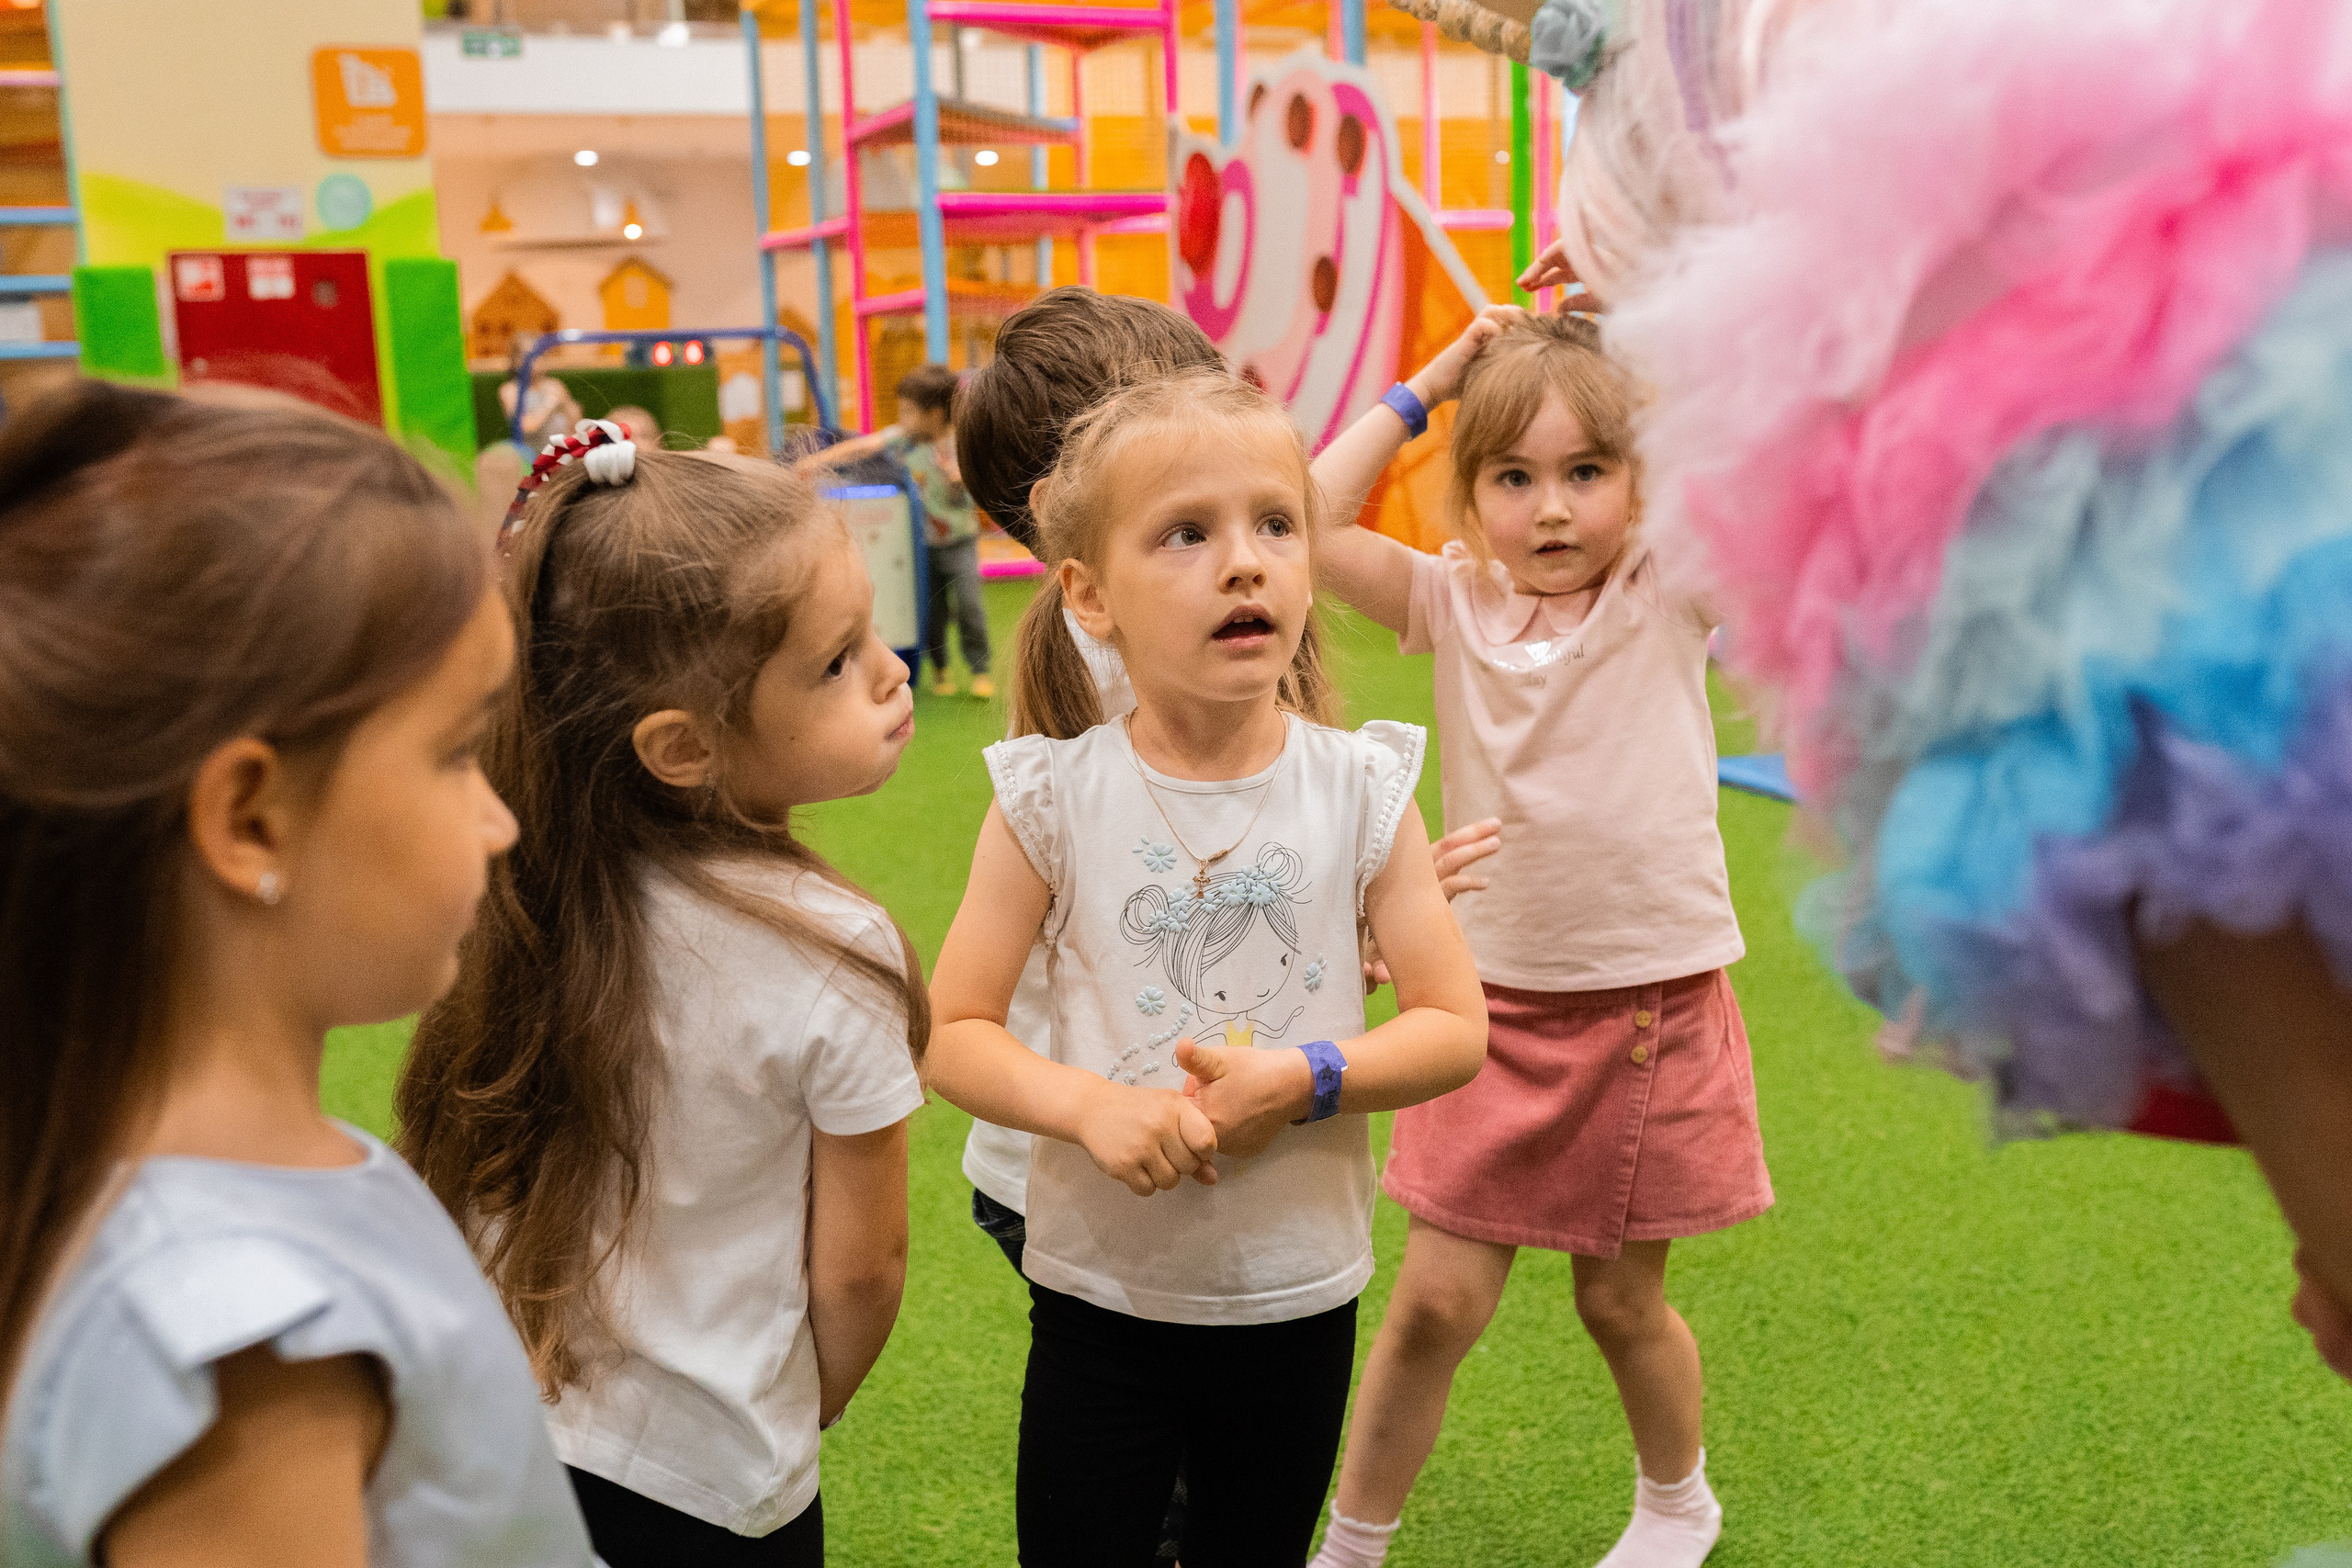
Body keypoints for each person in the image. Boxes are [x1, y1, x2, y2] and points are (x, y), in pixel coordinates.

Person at [0, 382, 592, 1567]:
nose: (498, 821)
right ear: (252, 819)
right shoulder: (238, 1339)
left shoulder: (234, 1187)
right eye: (457, 753)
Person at [926, 369, 1490, 1568]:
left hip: (1299, 1296)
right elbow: (956, 1028)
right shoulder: (1050, 796)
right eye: (1188, 532)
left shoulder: (1363, 787)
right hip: (1099, 1302)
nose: (1246, 564)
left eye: (1276, 525)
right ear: (1089, 593)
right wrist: (1091, 1106)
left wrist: (1309, 1073)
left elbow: (1453, 1024)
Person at [396, 422, 928, 1567]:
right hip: (720, 1475)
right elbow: (861, 1269)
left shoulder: (519, 892)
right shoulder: (837, 951)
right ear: (682, 747)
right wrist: (801, 1408)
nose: (889, 669)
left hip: (514, 1441)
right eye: (834, 660)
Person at [1303, 314, 1773, 1568]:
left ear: (1639, 479)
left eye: (1586, 472)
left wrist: (1658, 362)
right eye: (1512, 475)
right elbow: (1303, 514)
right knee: (1433, 1303)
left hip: (1650, 1009)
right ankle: (1352, 1541)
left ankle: (1679, 1500)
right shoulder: (1450, 598)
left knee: (1621, 1300)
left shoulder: (1672, 584)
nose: (1551, 508)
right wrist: (1438, 378)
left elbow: (1763, 481)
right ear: (1469, 493)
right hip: (1487, 1014)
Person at [799, 365, 993, 699]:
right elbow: (862, 447)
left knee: (969, 603)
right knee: (931, 610)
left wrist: (962, 480)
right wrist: (815, 462)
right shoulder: (905, 442)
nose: (902, 419)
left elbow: (982, 481)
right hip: (921, 546)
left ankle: (980, 668)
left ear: (933, 414)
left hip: (959, 540)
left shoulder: (962, 440)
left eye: (908, 411)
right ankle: (940, 667)